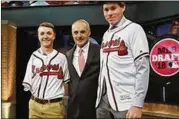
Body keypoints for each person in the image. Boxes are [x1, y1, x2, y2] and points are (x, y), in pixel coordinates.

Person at [96, 1, 150, 118]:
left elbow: (143, 67)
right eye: (106, 10)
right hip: (103, 100)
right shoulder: (106, 35)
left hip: (126, 101)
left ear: (123, 7)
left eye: (113, 8)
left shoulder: (134, 29)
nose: (109, 13)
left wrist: (137, 104)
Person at [22, 22, 70, 118]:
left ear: (54, 36)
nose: (45, 36)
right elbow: (28, 82)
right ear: (38, 36)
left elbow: (66, 82)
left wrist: (64, 103)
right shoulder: (33, 56)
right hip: (34, 105)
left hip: (55, 107)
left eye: (49, 33)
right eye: (42, 33)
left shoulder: (61, 58)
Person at [66, 19, 100, 119]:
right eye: (75, 32)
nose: (79, 35)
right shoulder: (68, 55)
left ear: (89, 33)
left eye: (82, 32)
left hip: (94, 109)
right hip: (73, 110)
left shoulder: (100, 51)